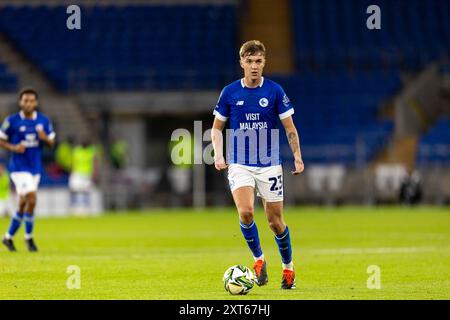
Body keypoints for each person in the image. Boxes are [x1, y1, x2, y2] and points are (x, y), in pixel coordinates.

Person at [211, 40, 305, 289]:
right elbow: (217, 128)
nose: (254, 66)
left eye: (258, 61)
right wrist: (219, 155)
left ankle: (288, 268)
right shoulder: (229, 92)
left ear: (264, 63)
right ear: (241, 62)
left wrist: (297, 156)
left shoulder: (275, 91)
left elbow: (290, 129)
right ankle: (259, 261)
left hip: (269, 164)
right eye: (249, 61)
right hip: (240, 163)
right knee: (246, 212)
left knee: (275, 221)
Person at [0, 88, 55, 252]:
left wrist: (44, 138)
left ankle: (8, 237)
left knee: (24, 203)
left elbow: (52, 143)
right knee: (32, 198)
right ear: (20, 102)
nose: (28, 103)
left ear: (36, 103)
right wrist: (13, 147)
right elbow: (1, 139)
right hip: (18, 168)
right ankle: (29, 238)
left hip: (35, 168)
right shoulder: (12, 120)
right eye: (25, 100)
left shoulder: (44, 121)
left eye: (31, 101)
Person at [69, 139, 97, 215]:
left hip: (87, 174)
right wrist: (71, 172)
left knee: (86, 191)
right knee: (74, 190)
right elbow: (73, 162)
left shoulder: (91, 151)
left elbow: (94, 163)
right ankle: (73, 207)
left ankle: (86, 208)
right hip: (77, 173)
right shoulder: (76, 151)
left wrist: (94, 173)